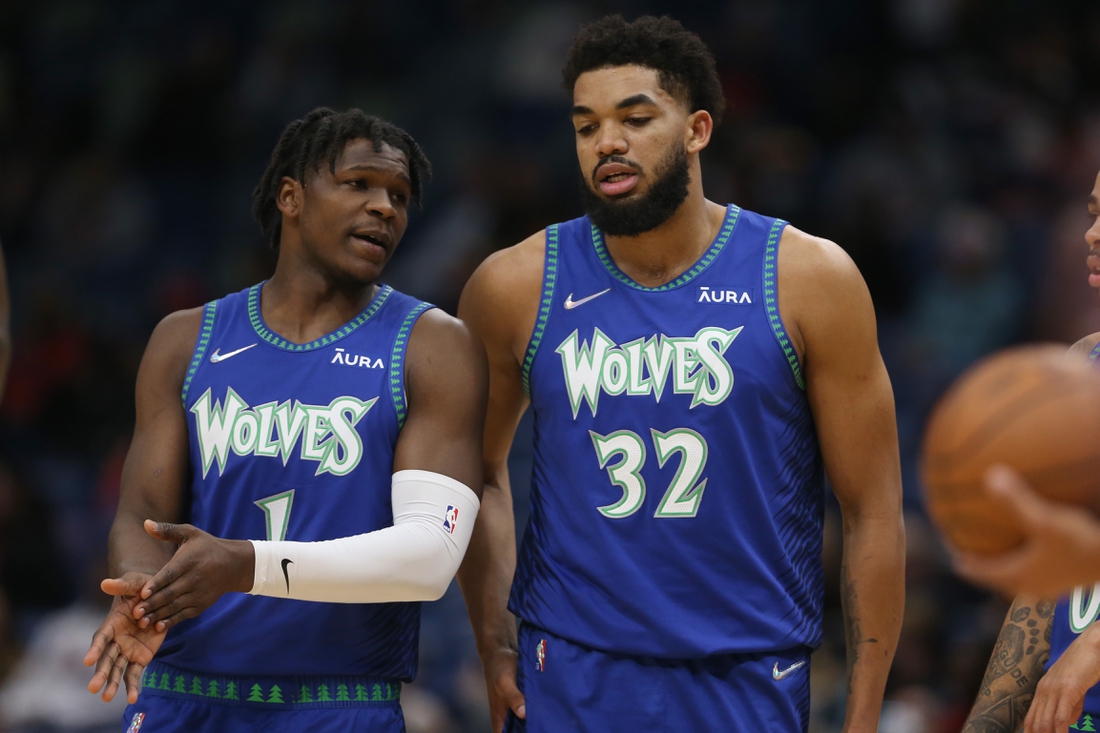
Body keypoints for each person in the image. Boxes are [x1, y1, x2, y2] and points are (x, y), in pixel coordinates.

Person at [455, 15, 905, 733]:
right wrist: (493, 642)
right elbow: (478, 471)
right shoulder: (513, 285)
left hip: (748, 673)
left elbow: (872, 509)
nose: (607, 142)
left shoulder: (806, 277)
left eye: (636, 118)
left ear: (697, 129)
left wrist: (863, 714)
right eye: (586, 125)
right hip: (569, 670)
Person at [83, 107, 488, 733]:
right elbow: (142, 516)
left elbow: (431, 556)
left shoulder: (433, 345)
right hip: (181, 693)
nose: (385, 207)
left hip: (337, 702)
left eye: (399, 196)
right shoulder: (185, 339)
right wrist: (142, 590)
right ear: (291, 197)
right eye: (359, 184)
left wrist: (245, 564)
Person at [959, 171, 1100, 733]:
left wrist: (1093, 648)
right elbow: (1044, 593)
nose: (1093, 233)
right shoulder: (1081, 368)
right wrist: (987, 724)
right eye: (1092, 212)